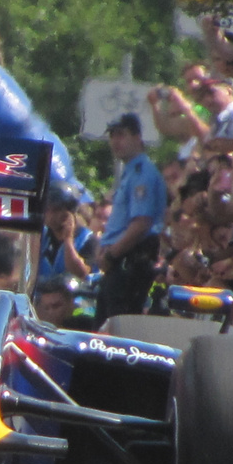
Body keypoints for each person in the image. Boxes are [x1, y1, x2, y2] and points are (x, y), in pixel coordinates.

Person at [96, 113, 167, 322]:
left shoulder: (142, 172)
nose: (115, 142)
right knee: (103, 328)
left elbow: (142, 223)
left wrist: (111, 255)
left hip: (130, 260)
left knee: (118, 330)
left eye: (121, 135)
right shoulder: (130, 172)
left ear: (137, 137)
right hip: (120, 261)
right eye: (112, 136)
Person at [38, 184, 94, 280]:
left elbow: (81, 273)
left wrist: (68, 239)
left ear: (67, 214)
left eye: (53, 209)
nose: (46, 213)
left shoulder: (88, 240)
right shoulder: (44, 236)